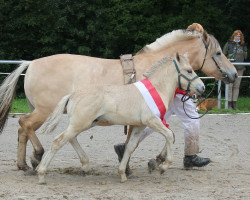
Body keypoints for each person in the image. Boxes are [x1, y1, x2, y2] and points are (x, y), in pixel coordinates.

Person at [223, 30, 248, 109]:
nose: (238, 37)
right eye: (236, 36)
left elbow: (245, 57)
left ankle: (234, 103)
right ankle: (229, 104)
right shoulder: (229, 44)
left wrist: (243, 48)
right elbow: (223, 55)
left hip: (240, 68)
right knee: (230, 85)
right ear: (233, 36)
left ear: (241, 37)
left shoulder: (243, 45)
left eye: (239, 36)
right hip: (230, 68)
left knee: (236, 86)